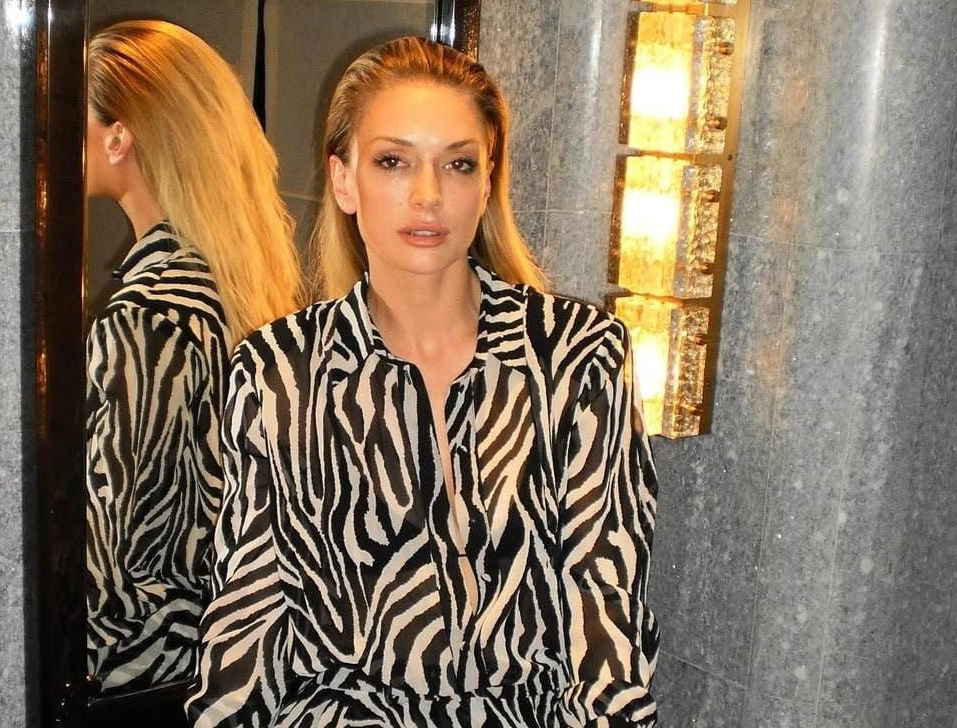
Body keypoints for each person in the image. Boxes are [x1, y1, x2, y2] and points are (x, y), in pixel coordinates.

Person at [188, 36, 659, 726]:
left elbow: (609, 627)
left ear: (487, 181)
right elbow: (244, 631)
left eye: (458, 164)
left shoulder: (577, 356)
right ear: (344, 180)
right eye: (393, 161)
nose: (428, 195)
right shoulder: (279, 371)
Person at [84, 19, 301, 694]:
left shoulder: (146, 320)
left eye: (73, 119)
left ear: (119, 136)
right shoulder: (233, 289)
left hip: (136, 677)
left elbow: (106, 550)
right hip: (225, 665)